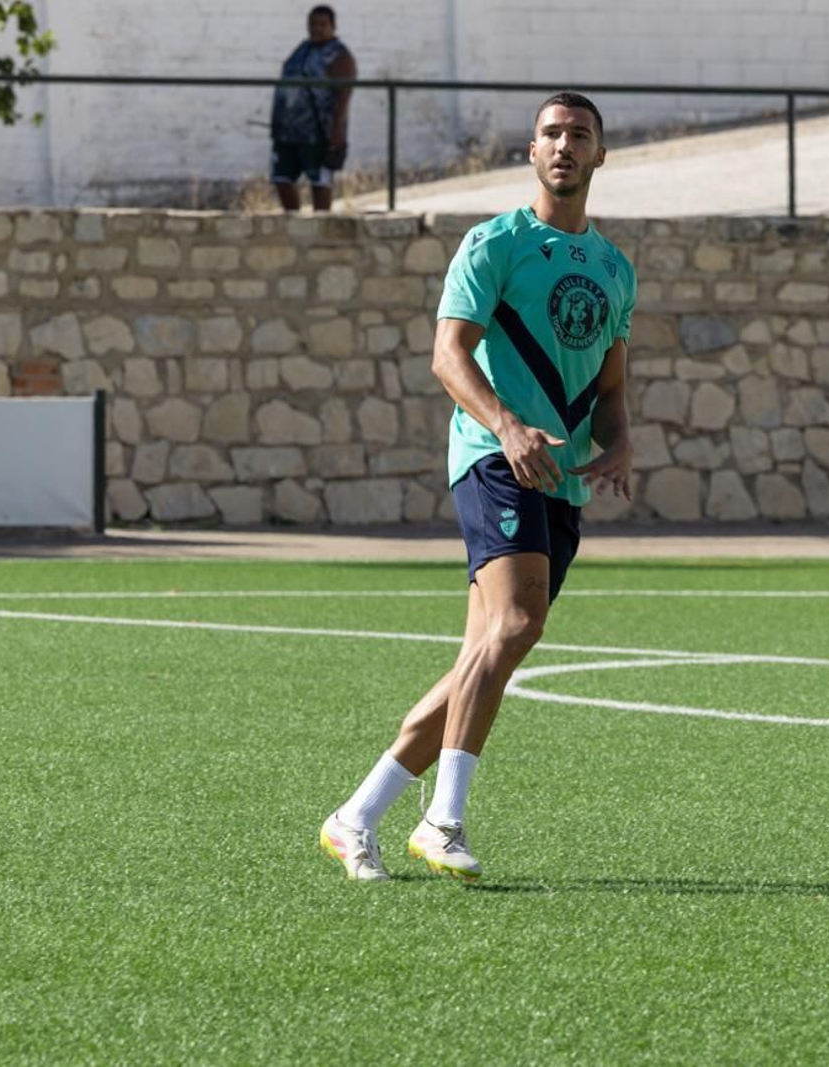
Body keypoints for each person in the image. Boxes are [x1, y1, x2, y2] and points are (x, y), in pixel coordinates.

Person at [319, 92, 637, 884]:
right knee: (520, 623)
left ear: (600, 156)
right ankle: (444, 819)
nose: (565, 145)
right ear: (532, 153)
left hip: (560, 480)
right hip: (495, 458)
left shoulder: (614, 268)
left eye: (580, 136)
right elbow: (447, 356)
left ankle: (355, 814)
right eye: (552, 134)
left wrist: (621, 442)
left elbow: (612, 389)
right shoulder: (493, 243)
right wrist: (506, 426)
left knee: (482, 654)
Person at [270, 5, 356, 212]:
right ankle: (293, 223)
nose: (316, 29)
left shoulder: (339, 55)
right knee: (281, 178)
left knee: (319, 181)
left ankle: (321, 227)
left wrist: (337, 129)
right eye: (312, 24)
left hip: (318, 132)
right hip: (287, 131)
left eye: (322, 24)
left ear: (333, 27)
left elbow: (344, 94)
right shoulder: (302, 49)